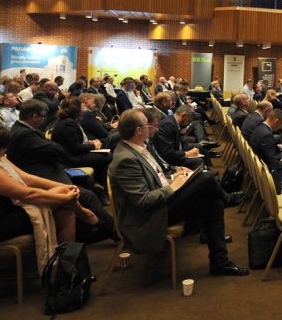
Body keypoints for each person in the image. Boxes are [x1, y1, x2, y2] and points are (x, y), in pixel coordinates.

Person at [108, 109, 249, 276]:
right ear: (139, 130)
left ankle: (220, 262)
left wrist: (175, 174)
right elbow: (143, 201)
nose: (155, 128)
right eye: (148, 124)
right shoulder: (126, 159)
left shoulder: (139, 147)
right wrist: (173, 186)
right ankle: (227, 199)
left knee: (213, 203)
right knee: (207, 178)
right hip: (150, 216)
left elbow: (159, 173)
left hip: (162, 200)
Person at [0, 126, 98, 271]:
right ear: (2, 148)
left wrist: (64, 187)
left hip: (2, 211)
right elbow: (28, 194)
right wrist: (64, 195)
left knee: (65, 210)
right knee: (64, 204)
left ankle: (66, 264)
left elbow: (27, 179)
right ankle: (68, 261)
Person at [6, 99, 115, 243]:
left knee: (87, 185)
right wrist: (55, 146)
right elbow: (56, 149)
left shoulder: (24, 130)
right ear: (34, 117)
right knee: (88, 196)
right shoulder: (24, 134)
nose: (45, 119)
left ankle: (98, 229)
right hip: (43, 175)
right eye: (43, 116)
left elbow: (54, 147)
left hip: (49, 170)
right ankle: (113, 231)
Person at [51, 97, 111, 197]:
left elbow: (75, 144)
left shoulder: (67, 121)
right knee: (107, 156)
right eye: (82, 106)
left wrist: (89, 143)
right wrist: (93, 146)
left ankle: (101, 186)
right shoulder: (68, 124)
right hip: (70, 159)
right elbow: (76, 149)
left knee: (104, 156)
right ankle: (103, 187)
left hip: (72, 155)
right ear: (76, 109)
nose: (84, 108)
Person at [154, 104, 205, 169]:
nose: (189, 124)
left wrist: (183, 134)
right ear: (183, 115)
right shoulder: (167, 125)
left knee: (199, 146)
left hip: (176, 150)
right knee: (198, 160)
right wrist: (187, 154)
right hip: (169, 160)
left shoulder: (175, 122)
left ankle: (206, 169)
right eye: (189, 121)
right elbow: (168, 153)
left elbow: (183, 146)